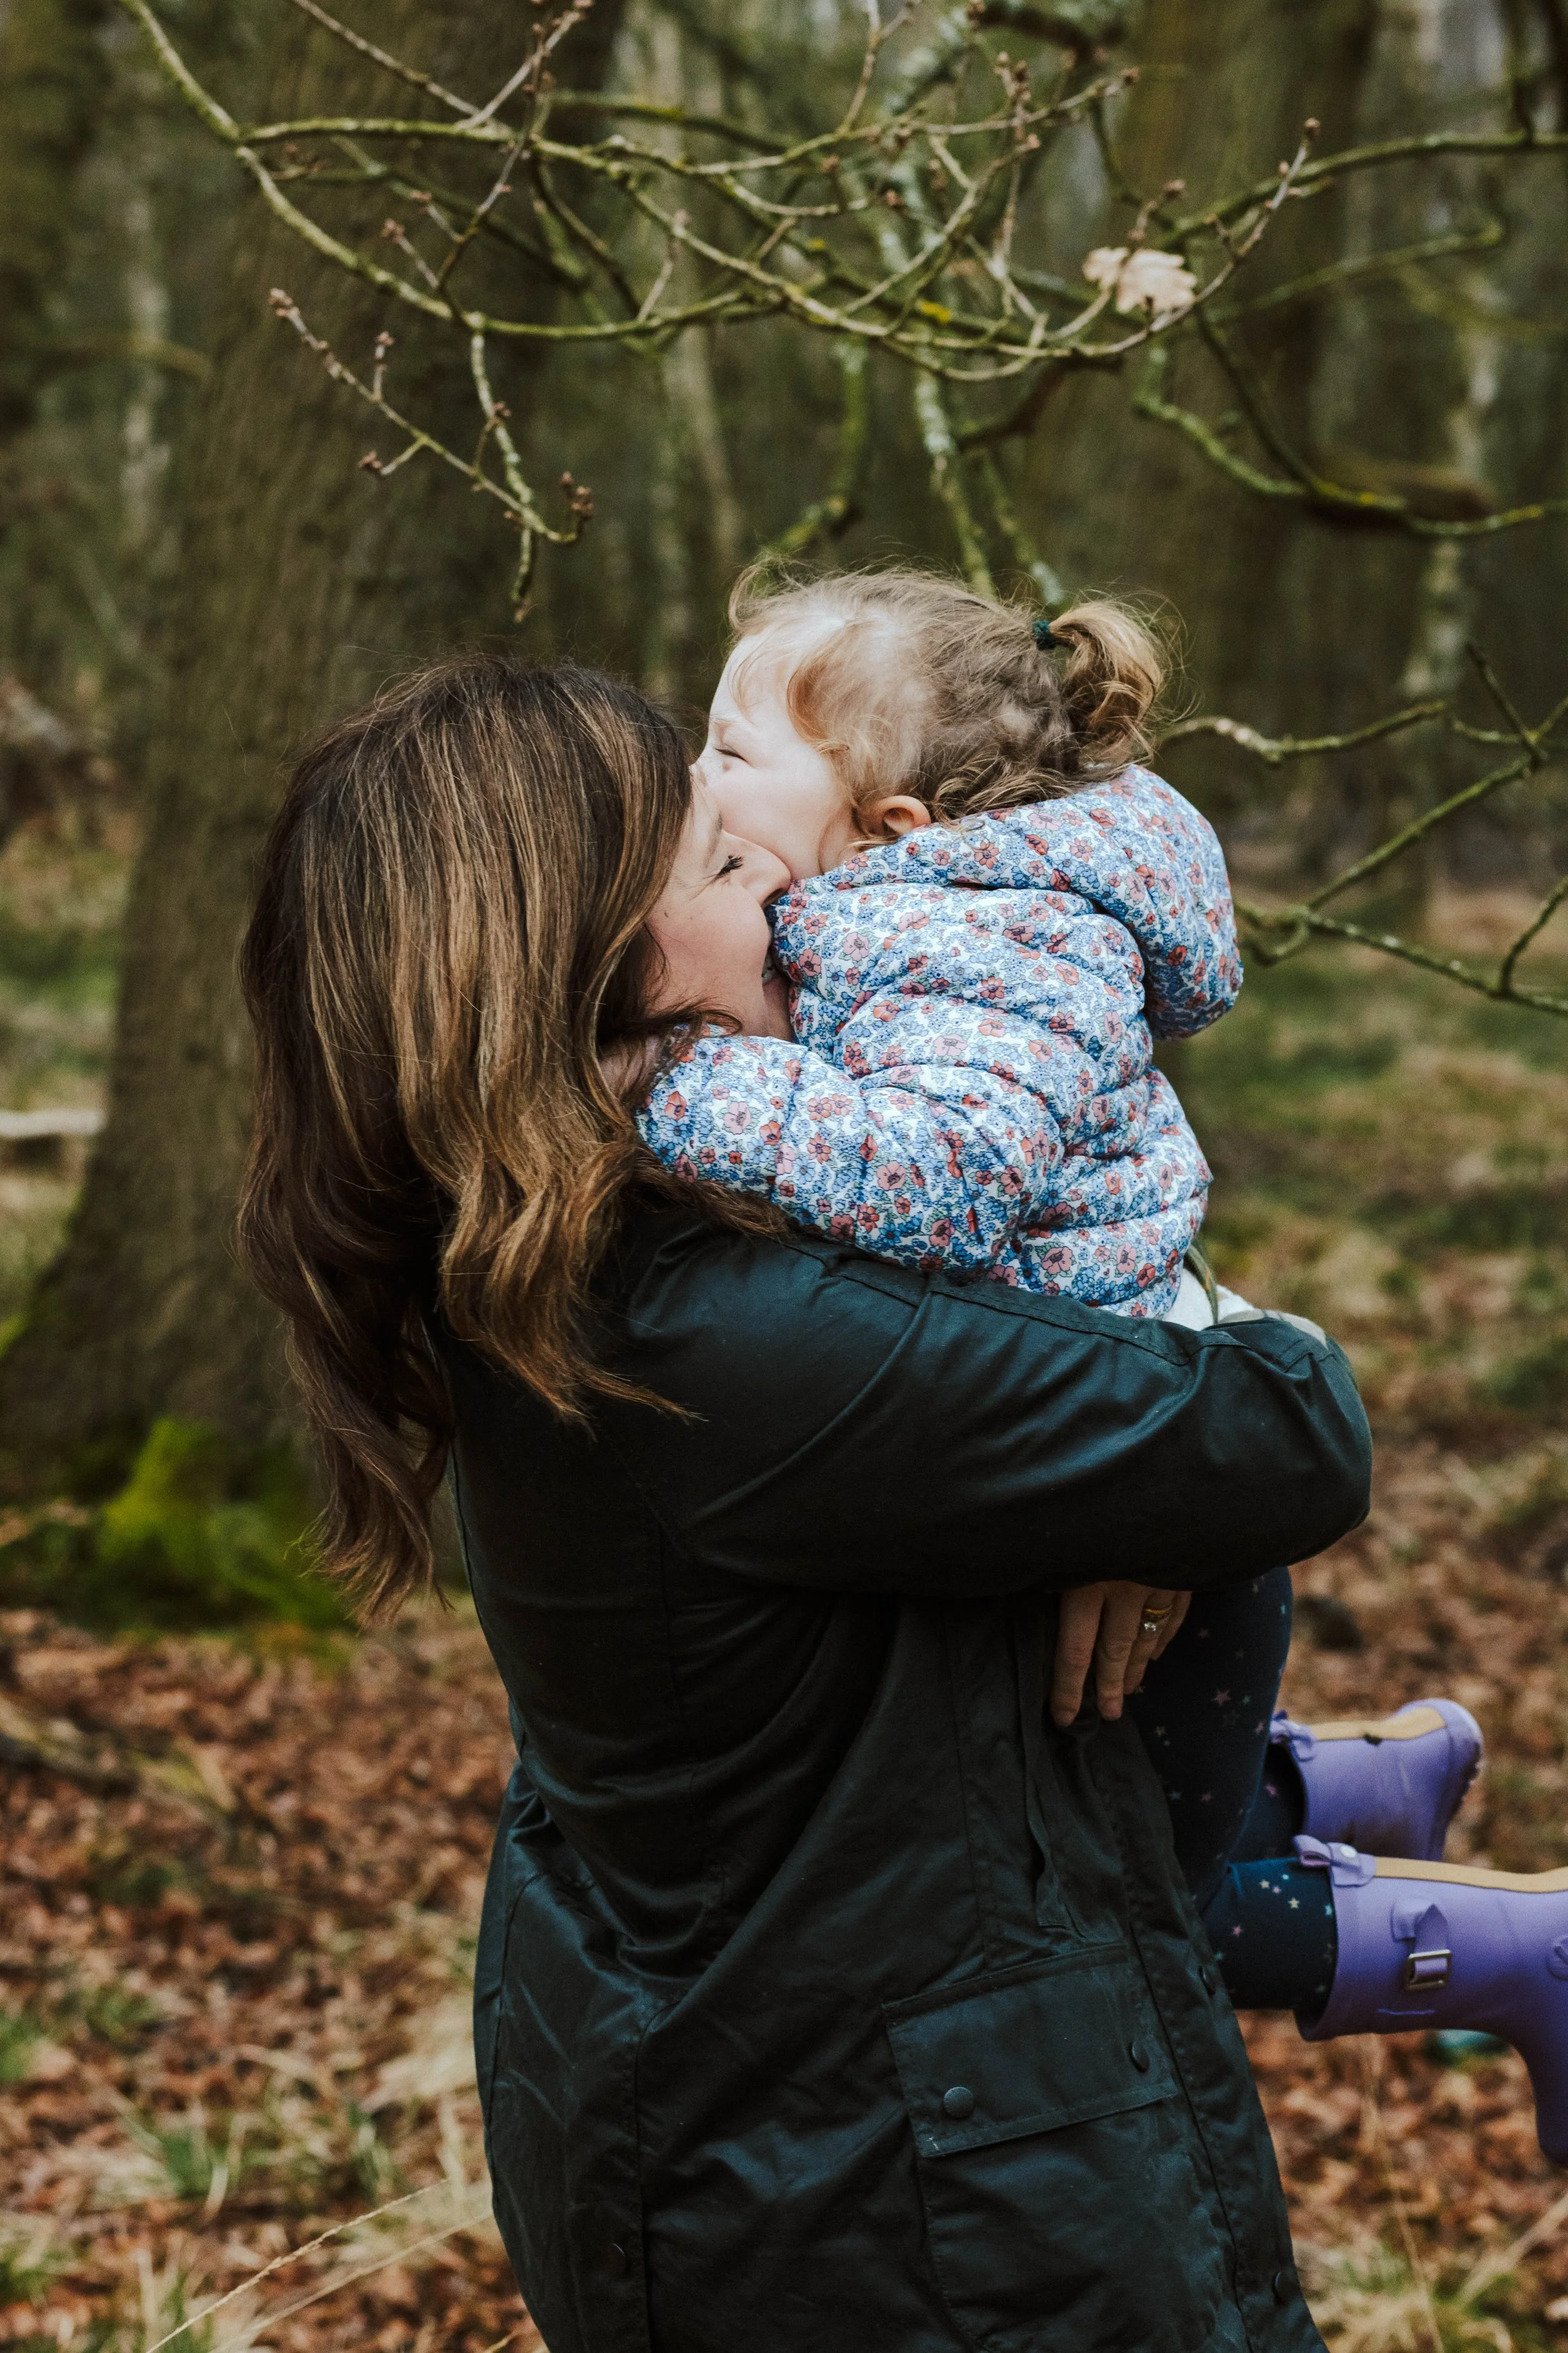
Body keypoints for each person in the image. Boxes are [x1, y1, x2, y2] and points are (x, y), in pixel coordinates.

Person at [233, 656, 1554, 2353]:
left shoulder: (538, 1256)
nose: (781, 881)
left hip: (750, 2134)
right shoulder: (717, 1338)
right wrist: (1164, 1465)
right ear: (577, 980)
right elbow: (1292, 1426)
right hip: (920, 2225)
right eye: (714, 868)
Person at [633, 564, 1485, 1992]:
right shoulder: (913, 913)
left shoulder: (973, 939)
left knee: (1138, 1922)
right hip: (1109, 1420)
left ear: (889, 825)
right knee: (1099, 1840)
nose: (696, 777)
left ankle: (1502, 1953)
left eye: (730, 751)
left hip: (1151, 1475)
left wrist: (685, 1080)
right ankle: (1359, 1785)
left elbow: (937, 1177)